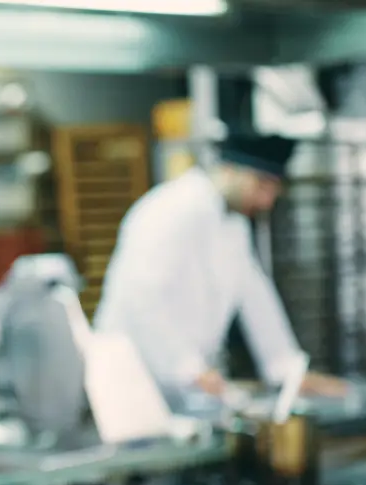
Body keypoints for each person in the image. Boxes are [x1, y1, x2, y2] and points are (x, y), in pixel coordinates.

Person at [93, 135, 347, 409]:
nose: (266, 201)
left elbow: (256, 298)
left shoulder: (235, 227)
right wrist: (189, 368)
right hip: (131, 380)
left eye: (274, 190)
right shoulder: (168, 210)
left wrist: (288, 369)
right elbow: (142, 299)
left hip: (185, 389)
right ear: (229, 170)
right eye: (261, 185)